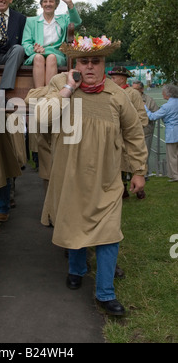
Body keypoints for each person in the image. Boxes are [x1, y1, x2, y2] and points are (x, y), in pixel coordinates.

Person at [35, 48, 147, 316]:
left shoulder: (118, 96)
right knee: (74, 222)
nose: (89, 67)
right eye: (83, 61)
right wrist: (68, 90)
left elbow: (133, 133)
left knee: (109, 234)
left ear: (104, 64)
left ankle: (105, 293)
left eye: (95, 61)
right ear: (76, 64)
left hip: (105, 178)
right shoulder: (61, 84)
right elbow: (41, 118)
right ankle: (76, 270)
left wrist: (139, 171)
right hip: (69, 175)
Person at [22, 0, 82, 87]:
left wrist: (70, 4)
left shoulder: (64, 19)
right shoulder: (31, 21)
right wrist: (34, 49)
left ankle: (50, 94)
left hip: (56, 54)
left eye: (51, 1)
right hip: (37, 54)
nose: (48, 4)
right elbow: (25, 43)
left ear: (56, 4)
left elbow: (77, 22)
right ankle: (39, 93)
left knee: (51, 58)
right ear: (41, 4)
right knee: (38, 58)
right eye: (45, 1)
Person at [108, 66, 148, 199]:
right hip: (116, 134)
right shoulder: (111, 93)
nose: (112, 80)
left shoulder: (133, 93)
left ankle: (139, 188)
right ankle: (123, 187)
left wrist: (137, 128)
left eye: (114, 77)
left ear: (122, 78)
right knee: (119, 162)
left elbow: (141, 114)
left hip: (129, 133)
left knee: (132, 160)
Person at [145, 83, 178, 182]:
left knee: (172, 156)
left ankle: (175, 175)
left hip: (172, 132)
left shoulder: (166, 106)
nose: (162, 94)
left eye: (163, 92)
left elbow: (152, 117)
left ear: (168, 94)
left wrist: (145, 108)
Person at [132, 80, 159, 175]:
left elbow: (156, 113)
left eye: (136, 89)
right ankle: (131, 173)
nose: (133, 91)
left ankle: (144, 173)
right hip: (131, 131)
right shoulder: (128, 98)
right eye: (132, 89)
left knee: (145, 153)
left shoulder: (149, 100)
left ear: (142, 89)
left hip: (146, 131)